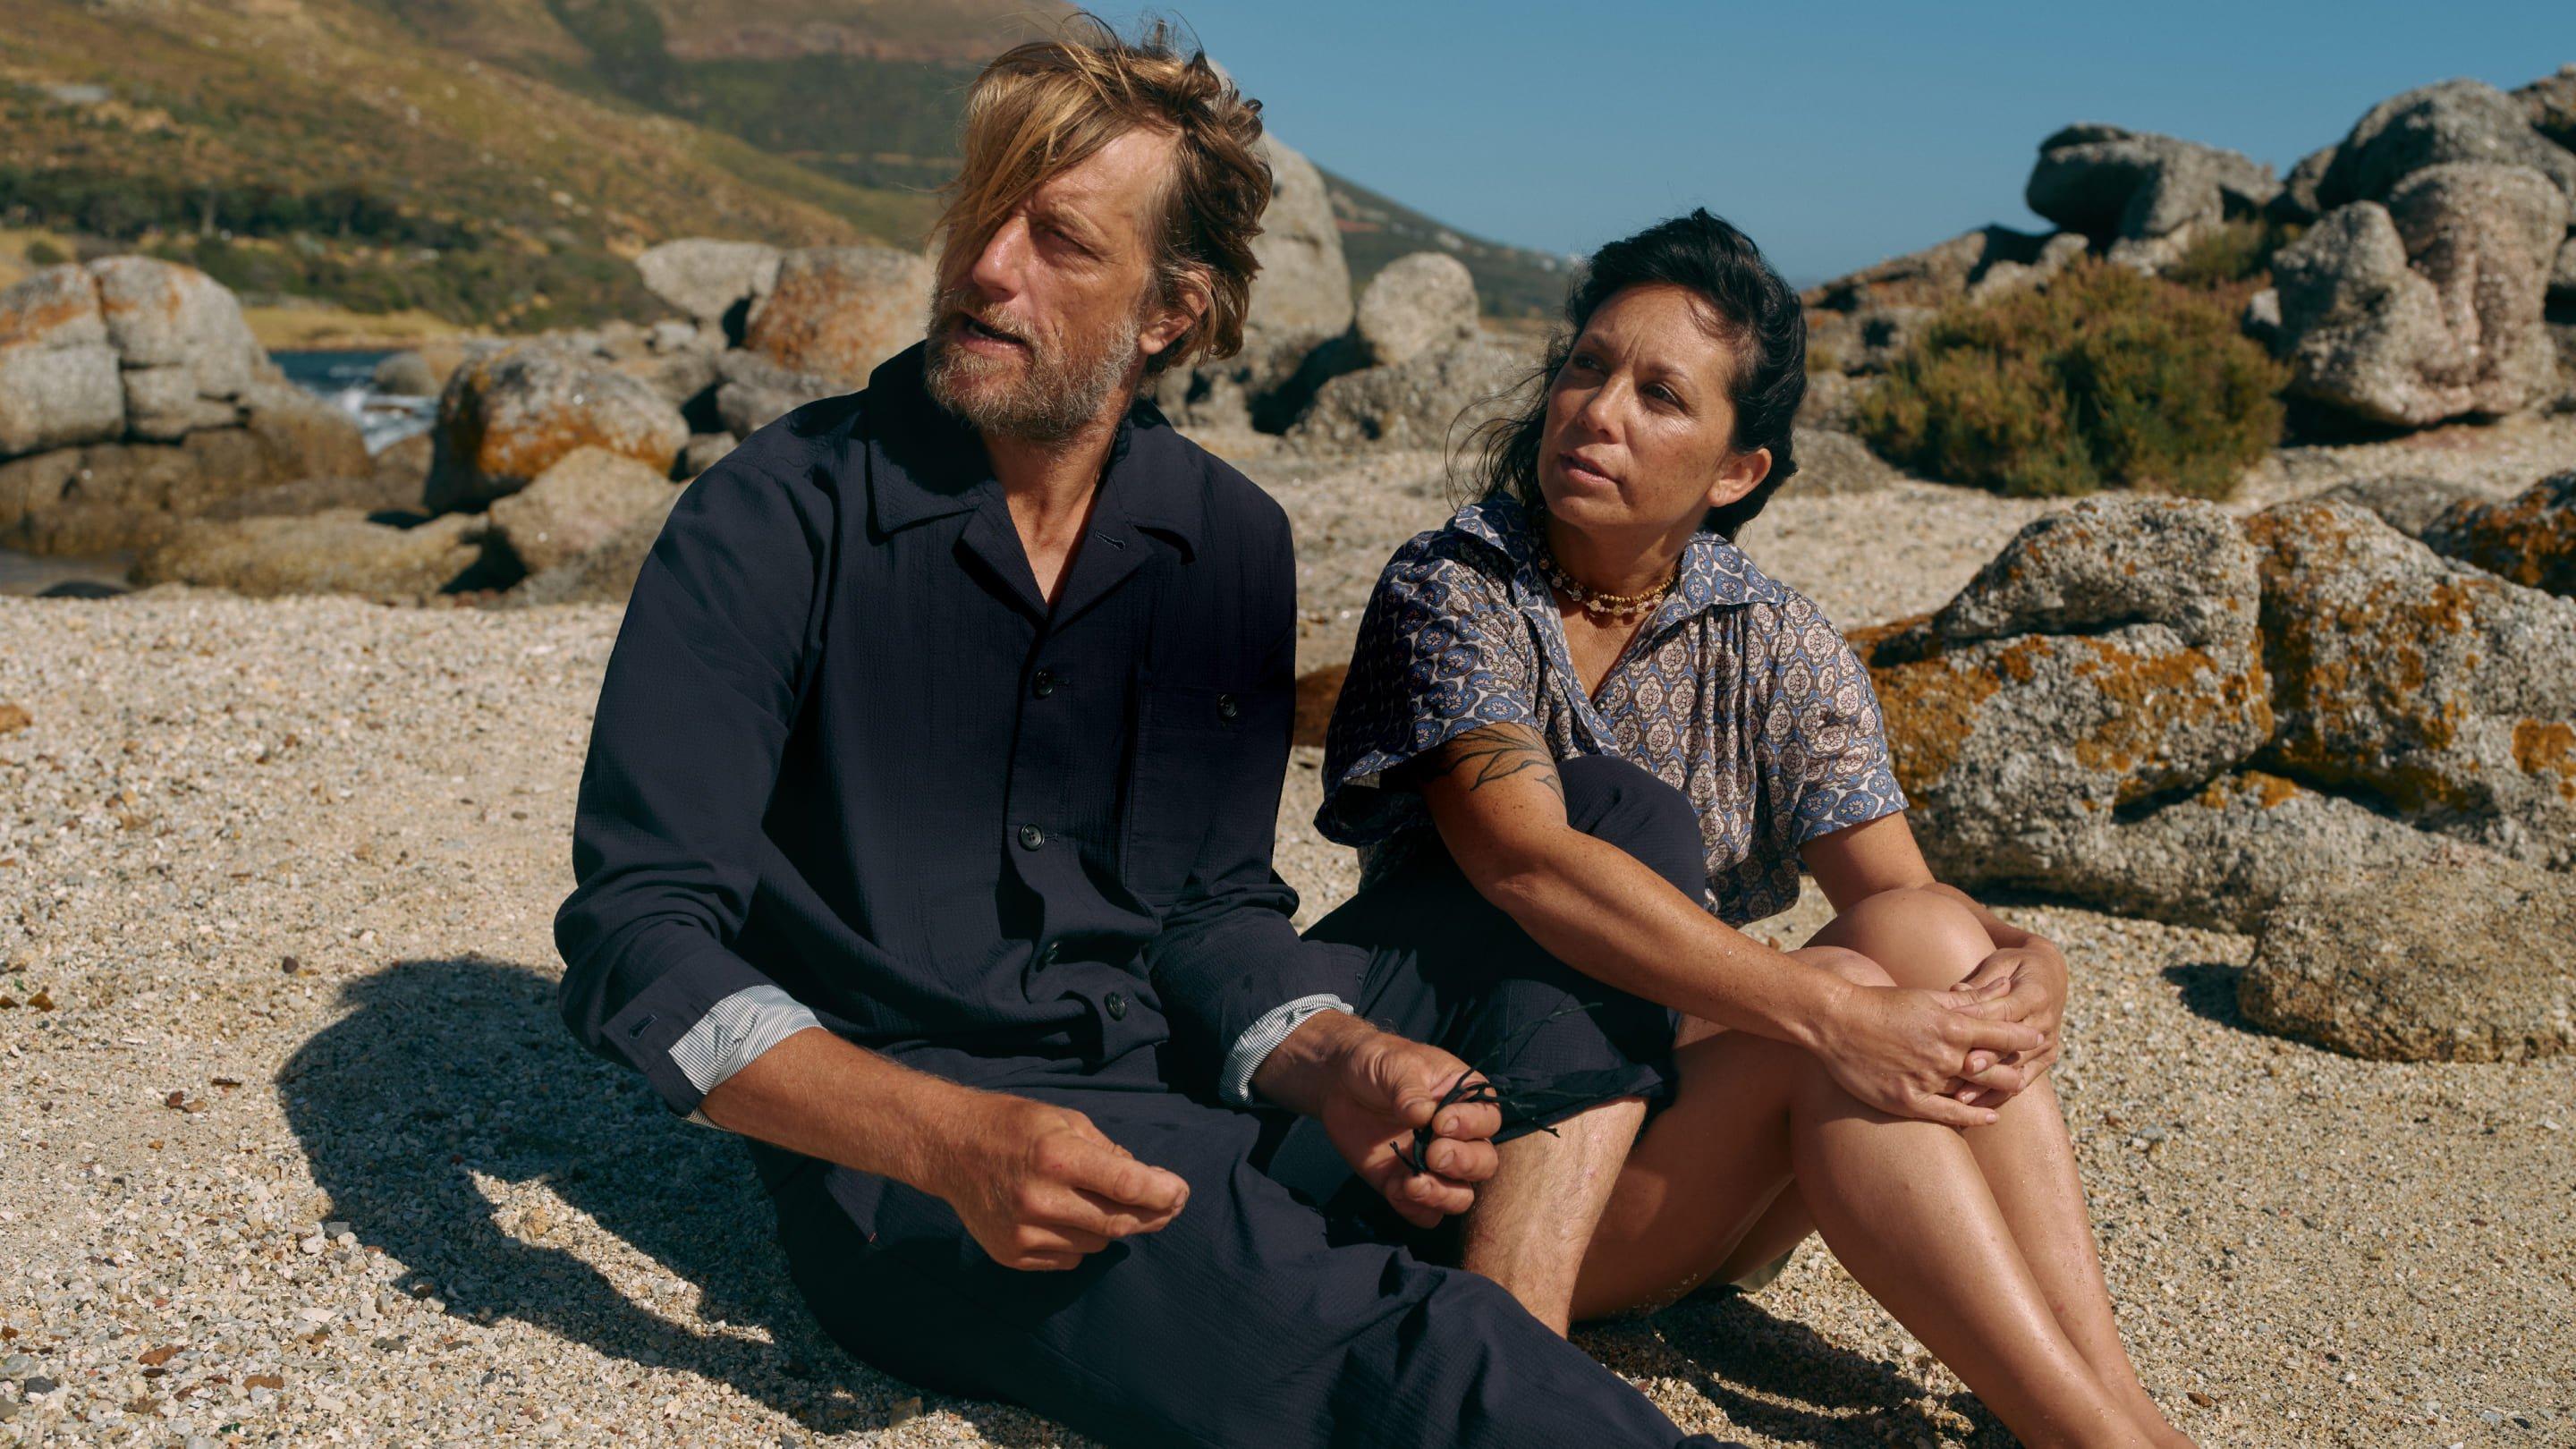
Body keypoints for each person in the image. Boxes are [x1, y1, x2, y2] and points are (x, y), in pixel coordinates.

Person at [554, 21, 1742, 1449]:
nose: (985, 268)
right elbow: (637, 936)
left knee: (1613, 821)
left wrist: (1329, 1054)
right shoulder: (772, 517)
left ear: (1171, 311)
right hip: (951, 1181)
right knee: (1404, 1360)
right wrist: (945, 1143)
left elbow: (1207, 909)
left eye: (1059, 239)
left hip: (1179, 1075)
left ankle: (1506, 1303)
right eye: (979, 215)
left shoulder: (1224, 541)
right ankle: (1463, 1356)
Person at [1314, 209, 2197, 1449]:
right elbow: (1521, 857)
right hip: (1483, 1155)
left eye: (1661, 395)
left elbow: (1907, 903)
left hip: (1677, 1153)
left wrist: (2030, 957)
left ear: (1738, 472)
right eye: (1587, 367)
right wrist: (1835, 1009)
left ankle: (2101, 1399)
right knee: (1833, 1011)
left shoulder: (1773, 638)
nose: (1598, 411)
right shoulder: (1456, 584)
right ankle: (2101, 1439)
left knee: (1926, 935)